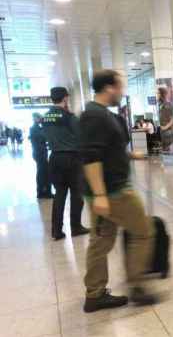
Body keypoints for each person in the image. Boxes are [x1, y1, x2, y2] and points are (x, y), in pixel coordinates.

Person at [78, 69, 157, 313]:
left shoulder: (101, 114)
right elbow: (91, 157)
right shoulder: (94, 115)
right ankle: (137, 287)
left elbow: (106, 150)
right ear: (109, 87)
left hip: (107, 192)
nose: (122, 92)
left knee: (101, 241)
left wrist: (131, 155)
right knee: (144, 231)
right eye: (120, 87)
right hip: (114, 193)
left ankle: (95, 294)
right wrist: (100, 195)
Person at [42, 87, 89, 240]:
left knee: (60, 194)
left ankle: (57, 230)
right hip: (72, 159)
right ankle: (76, 227)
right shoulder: (68, 117)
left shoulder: (46, 117)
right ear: (65, 98)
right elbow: (81, 136)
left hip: (54, 158)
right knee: (77, 194)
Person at [29, 113, 53, 199]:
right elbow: (44, 137)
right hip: (39, 154)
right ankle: (44, 192)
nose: (41, 119)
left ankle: (44, 192)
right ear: (35, 118)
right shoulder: (34, 128)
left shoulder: (37, 128)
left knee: (43, 173)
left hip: (40, 153)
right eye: (39, 118)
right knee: (43, 173)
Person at [157, 87, 173, 152]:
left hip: (168, 132)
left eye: (158, 93)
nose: (157, 95)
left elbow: (172, 119)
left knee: (169, 154)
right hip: (164, 132)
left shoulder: (167, 105)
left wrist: (165, 127)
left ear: (162, 94)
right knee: (166, 154)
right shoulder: (160, 105)